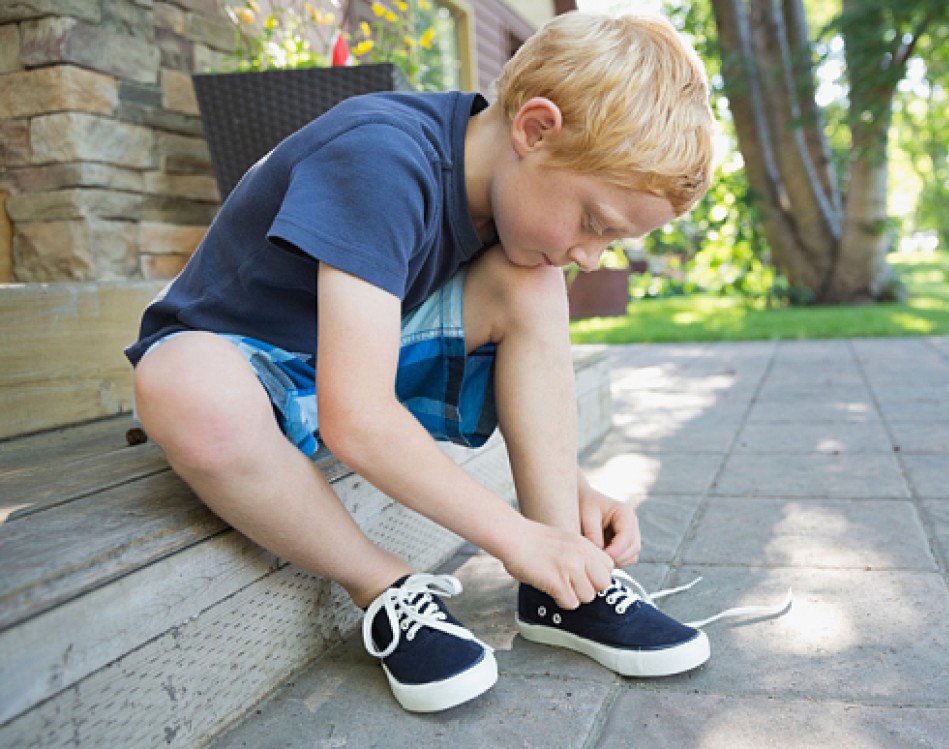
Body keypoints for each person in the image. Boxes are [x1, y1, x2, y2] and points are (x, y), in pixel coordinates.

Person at [126, 11, 716, 713]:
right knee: (180, 385)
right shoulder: (382, 157)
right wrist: (512, 537)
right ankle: (385, 587)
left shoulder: (503, 193)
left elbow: (415, 360)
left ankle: (564, 591)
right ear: (534, 128)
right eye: (594, 222)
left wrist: (566, 487)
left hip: (347, 366)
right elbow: (358, 417)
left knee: (530, 276)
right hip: (250, 366)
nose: (592, 255)